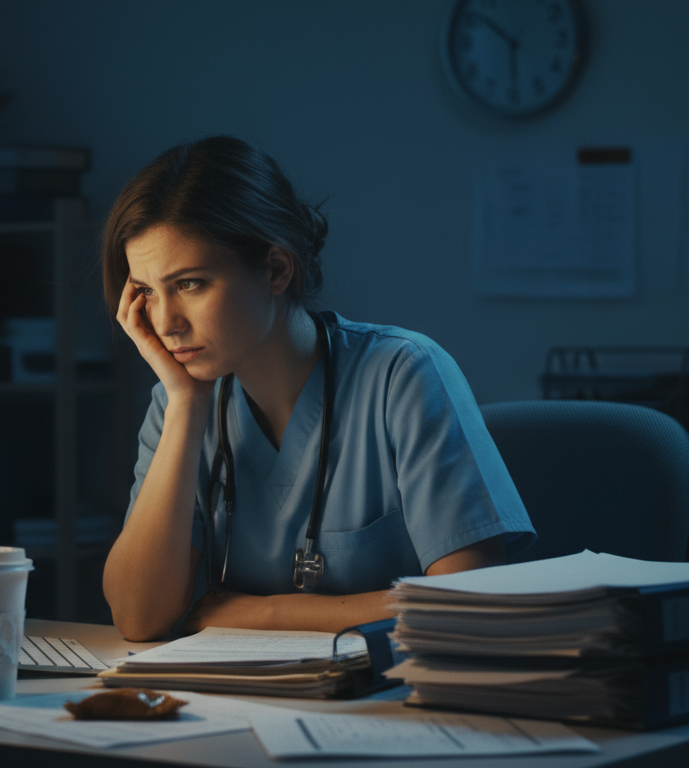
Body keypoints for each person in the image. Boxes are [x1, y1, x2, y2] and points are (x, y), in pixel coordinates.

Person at [101, 136, 534, 642]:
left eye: (190, 284)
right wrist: (185, 404)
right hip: (251, 704)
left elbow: (470, 602)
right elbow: (138, 616)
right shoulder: (180, 402)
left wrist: (257, 614)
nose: (167, 323)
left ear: (276, 269)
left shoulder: (404, 374)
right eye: (148, 292)